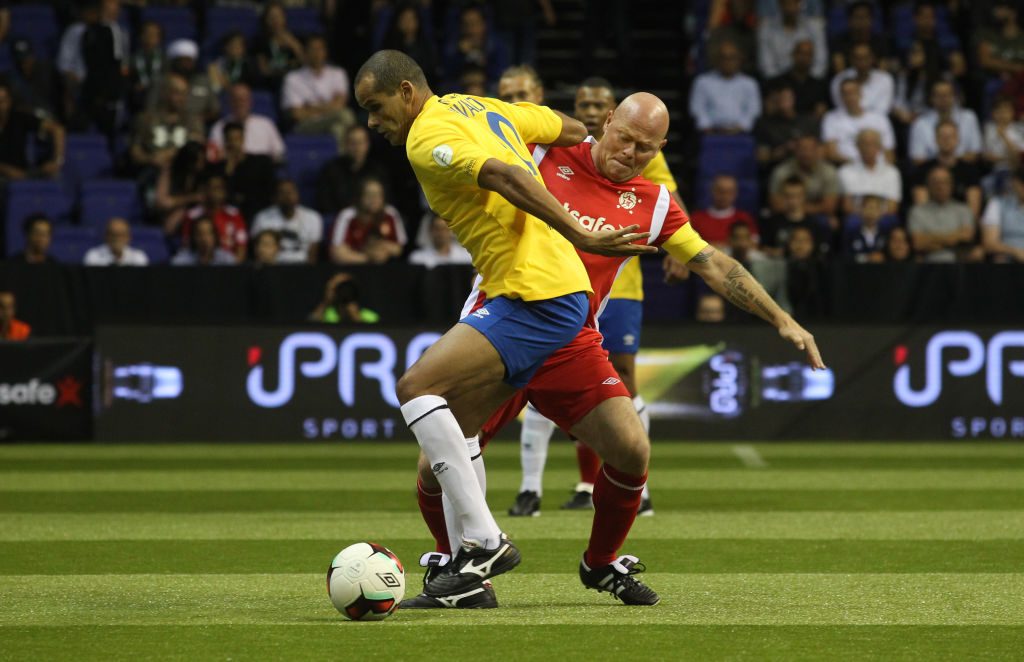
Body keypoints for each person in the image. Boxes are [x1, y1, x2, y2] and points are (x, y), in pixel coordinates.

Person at [404, 91, 824, 610]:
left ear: (660, 149)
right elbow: (488, 149)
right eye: (623, 137)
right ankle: (459, 571)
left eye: (645, 147)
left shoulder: (654, 202)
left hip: (571, 338)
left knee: (632, 449)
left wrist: (782, 319)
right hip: (506, 315)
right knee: (434, 466)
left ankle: (600, 562)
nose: (629, 152)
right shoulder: (542, 155)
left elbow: (715, 264)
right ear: (606, 122)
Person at [353, 49, 654, 602]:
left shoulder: (426, 137)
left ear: (405, 93)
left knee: (416, 387)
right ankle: (468, 582)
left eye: (375, 107)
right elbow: (566, 126)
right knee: (452, 438)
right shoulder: (485, 108)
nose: (372, 122)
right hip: (554, 290)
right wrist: (581, 155)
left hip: (533, 292)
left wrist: (578, 229)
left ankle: (484, 543)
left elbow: (502, 174)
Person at [508, 75, 689, 517]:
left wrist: (682, 251)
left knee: (619, 380)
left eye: (597, 101)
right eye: (583, 102)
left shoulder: (641, 152)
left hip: (618, 287)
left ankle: (614, 482)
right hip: (549, 285)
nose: (589, 109)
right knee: (537, 380)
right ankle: (533, 487)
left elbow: (665, 203)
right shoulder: (557, 147)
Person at [282, 34, 356, 146]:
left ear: (325, 52)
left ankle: (343, 161)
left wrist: (311, 108)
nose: (317, 53)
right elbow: (297, 114)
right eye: (313, 49)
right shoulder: (293, 78)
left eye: (320, 49)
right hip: (305, 125)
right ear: (305, 52)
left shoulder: (338, 74)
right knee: (346, 115)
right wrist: (328, 106)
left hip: (331, 120)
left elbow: (340, 104)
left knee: (338, 129)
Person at [130, 74, 204, 174]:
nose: (181, 98)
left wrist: (170, 154)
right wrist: (151, 159)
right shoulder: (146, 119)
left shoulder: (193, 122)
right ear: (165, 93)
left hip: (184, 174)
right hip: (152, 173)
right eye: (177, 93)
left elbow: (198, 149)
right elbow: (135, 152)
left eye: (184, 94)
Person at [910, 121, 983, 219]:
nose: (946, 140)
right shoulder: (923, 170)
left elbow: (973, 212)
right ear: (935, 139)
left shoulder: (970, 171)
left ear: (958, 139)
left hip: (961, 225)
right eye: (942, 136)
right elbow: (921, 209)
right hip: (930, 225)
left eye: (950, 136)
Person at [210, 121, 278, 223]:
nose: (233, 143)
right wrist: (229, 169)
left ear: (243, 139)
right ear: (224, 141)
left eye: (237, 138)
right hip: (227, 215)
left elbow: (269, 190)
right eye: (229, 139)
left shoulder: (260, 162)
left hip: (257, 211)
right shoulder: (218, 168)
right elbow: (218, 194)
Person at [907, 166, 978, 263]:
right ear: (928, 186)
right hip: (927, 265)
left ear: (952, 185)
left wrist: (930, 238)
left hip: (958, 264)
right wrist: (953, 238)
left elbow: (966, 236)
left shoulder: (963, 210)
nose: (940, 187)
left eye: (945, 182)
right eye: (935, 183)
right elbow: (918, 243)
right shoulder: (917, 212)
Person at [689, 39, 762, 133]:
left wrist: (740, 127)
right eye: (724, 57)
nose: (727, 62)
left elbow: (753, 111)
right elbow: (697, 109)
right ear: (717, 59)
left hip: (741, 133)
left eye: (732, 57)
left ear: (739, 59)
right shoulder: (702, 82)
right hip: (710, 133)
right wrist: (709, 127)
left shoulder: (750, 84)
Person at [316, 125, 391, 216]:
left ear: (367, 144)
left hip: (373, 219)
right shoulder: (331, 169)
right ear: (345, 144)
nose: (357, 147)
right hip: (342, 220)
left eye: (360, 142)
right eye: (353, 143)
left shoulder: (377, 170)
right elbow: (324, 201)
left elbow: (386, 199)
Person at [329, 177, 407, 264]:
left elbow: (399, 248)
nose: (374, 199)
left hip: (385, 267)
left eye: (378, 194)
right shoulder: (347, 216)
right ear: (360, 197)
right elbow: (337, 252)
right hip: (354, 267)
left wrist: (382, 246)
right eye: (369, 195)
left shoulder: (391, 213)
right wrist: (368, 258)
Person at [0, 82, 64, 182]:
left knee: (50, 175)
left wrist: (57, 161)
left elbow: (57, 129)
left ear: (9, 101)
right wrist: (6, 170)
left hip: (24, 174)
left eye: (3, 101)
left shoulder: (19, 117)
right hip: (3, 176)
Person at [821, 78, 895, 164]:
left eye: (853, 92)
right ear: (841, 96)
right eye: (846, 94)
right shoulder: (831, 118)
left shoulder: (880, 118)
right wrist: (859, 166)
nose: (850, 97)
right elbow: (831, 153)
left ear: (861, 93)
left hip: (878, 168)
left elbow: (889, 153)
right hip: (847, 168)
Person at [146, 39, 220, 124]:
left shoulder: (204, 81)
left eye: (189, 61)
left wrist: (198, 119)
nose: (186, 64)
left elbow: (214, 110)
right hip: (164, 124)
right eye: (182, 61)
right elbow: (150, 109)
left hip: (197, 126)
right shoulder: (160, 81)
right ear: (174, 62)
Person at [908, 80, 982, 165]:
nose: (943, 98)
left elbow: (975, 153)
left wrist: (950, 161)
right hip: (932, 171)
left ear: (954, 97)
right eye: (939, 95)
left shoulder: (969, 117)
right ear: (932, 98)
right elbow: (917, 158)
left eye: (947, 95)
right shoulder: (919, 123)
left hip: (962, 168)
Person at [251, 179, 323, 264]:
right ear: (275, 197)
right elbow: (258, 252)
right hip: (272, 268)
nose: (287, 196)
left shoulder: (313, 217)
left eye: (290, 192)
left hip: (302, 267)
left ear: (298, 194)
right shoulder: (262, 218)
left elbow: (313, 255)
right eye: (282, 192)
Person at [209, 83, 286, 162]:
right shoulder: (219, 127)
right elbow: (213, 156)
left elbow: (279, 153)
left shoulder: (266, 124)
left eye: (244, 99)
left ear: (250, 101)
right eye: (237, 99)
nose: (240, 103)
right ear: (230, 102)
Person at [181, 173, 249, 262]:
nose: (218, 191)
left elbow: (241, 248)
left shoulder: (234, 215)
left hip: (227, 266)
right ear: (205, 190)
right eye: (214, 187)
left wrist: (233, 271)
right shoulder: (193, 215)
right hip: (197, 262)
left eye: (221, 187)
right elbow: (186, 245)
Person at [768, 133, 839, 219]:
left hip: (817, 217)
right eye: (802, 149)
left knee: (828, 221)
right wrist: (812, 208)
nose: (806, 153)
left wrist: (796, 208)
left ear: (818, 151)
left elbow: (829, 207)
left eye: (810, 149)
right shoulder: (781, 171)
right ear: (795, 150)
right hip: (786, 217)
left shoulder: (828, 171)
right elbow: (776, 205)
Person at [838, 129, 902, 215]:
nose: (868, 148)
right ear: (857, 147)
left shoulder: (892, 172)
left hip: (883, 217)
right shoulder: (845, 171)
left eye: (873, 144)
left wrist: (874, 216)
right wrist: (868, 216)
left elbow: (892, 207)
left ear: (880, 147)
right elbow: (847, 206)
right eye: (864, 144)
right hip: (857, 217)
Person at [757, 0, 826, 80]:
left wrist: (809, 82)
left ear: (800, 4)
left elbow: (820, 63)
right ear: (780, 5)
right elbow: (767, 66)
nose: (791, 8)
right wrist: (780, 85)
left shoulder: (814, 27)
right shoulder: (767, 29)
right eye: (787, 4)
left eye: (794, 3)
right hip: (778, 84)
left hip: (809, 81)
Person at [761, 176, 828, 257]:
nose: (793, 201)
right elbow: (763, 248)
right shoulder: (772, 222)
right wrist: (781, 253)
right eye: (789, 196)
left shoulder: (814, 224)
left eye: (797, 196)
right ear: (783, 197)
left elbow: (820, 250)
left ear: (804, 196)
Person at [689, 174, 760, 247]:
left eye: (729, 192)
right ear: (712, 191)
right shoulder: (696, 219)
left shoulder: (745, 218)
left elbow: (753, 246)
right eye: (720, 191)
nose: (724, 196)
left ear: (735, 193)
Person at [770, 39, 829, 119]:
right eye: (801, 53)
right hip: (783, 125)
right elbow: (770, 109)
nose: (804, 58)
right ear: (793, 55)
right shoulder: (778, 82)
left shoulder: (819, 85)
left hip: (810, 127)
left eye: (809, 54)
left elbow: (821, 110)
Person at [252, 1, 304, 90]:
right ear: (265, 20)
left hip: (298, 81)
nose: (275, 20)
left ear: (284, 18)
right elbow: (264, 70)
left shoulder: (296, 38)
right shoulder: (260, 41)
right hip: (274, 83)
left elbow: (306, 64)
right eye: (271, 17)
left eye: (278, 16)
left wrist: (294, 46)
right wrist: (286, 70)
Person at [829, 44, 893, 116]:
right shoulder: (839, 79)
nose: (862, 62)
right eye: (858, 58)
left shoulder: (885, 79)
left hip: (876, 123)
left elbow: (883, 110)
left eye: (865, 58)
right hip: (845, 122)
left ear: (872, 59)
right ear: (851, 60)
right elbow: (840, 108)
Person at [382, 4, 439, 82]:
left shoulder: (425, 44)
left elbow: (430, 69)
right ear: (398, 22)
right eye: (404, 19)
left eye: (411, 19)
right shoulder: (390, 44)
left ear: (418, 21)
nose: (408, 23)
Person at [980, 166, 1024, 262]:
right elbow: (990, 242)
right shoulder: (997, 204)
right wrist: (1016, 252)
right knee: (999, 258)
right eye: (1022, 182)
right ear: (1015, 183)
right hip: (1009, 258)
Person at [841, 194, 896, 263]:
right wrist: (866, 258)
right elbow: (845, 257)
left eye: (875, 208)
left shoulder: (887, 234)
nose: (871, 212)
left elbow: (893, 256)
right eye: (867, 207)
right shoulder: (851, 233)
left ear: (881, 212)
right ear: (860, 210)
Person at [309, 272, 380, 324]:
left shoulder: (369, 316)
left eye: (347, 288)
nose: (344, 291)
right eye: (340, 288)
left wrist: (356, 318)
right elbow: (310, 328)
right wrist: (326, 301)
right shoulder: (326, 315)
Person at [171, 215, 237, 266]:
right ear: (193, 237)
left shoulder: (226, 259)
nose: (204, 239)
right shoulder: (182, 260)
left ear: (215, 237)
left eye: (209, 233)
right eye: (200, 234)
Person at [83, 218, 149, 266]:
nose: (118, 239)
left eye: (122, 235)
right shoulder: (93, 257)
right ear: (106, 237)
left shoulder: (138, 257)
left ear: (128, 237)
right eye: (114, 235)